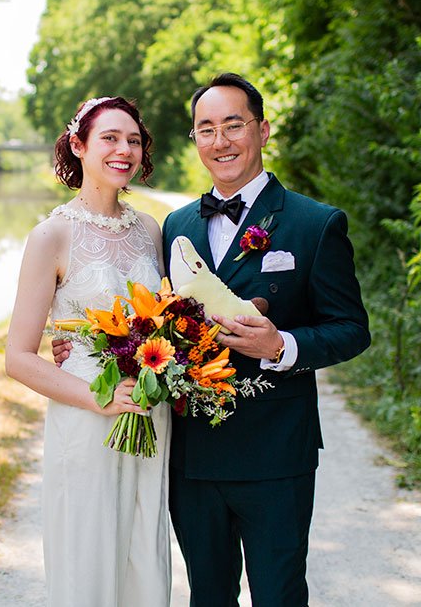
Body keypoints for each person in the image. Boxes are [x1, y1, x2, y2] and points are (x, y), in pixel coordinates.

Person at [55, 73, 370, 605]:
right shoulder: (174, 226)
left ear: (263, 130)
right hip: (192, 454)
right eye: (206, 129)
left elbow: (351, 330)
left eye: (233, 125)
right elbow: (143, 316)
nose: (220, 141)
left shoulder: (315, 225)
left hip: (276, 455)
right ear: (195, 140)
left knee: (279, 594)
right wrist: (85, 349)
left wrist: (281, 347)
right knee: (208, 594)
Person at [5, 96, 172, 606]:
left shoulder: (150, 230)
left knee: (144, 548)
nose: (125, 150)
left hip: (149, 408)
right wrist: (98, 398)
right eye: (110, 138)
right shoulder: (51, 235)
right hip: (88, 413)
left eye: (134, 140)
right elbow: (19, 356)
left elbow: (164, 318)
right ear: (78, 146)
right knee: (88, 553)